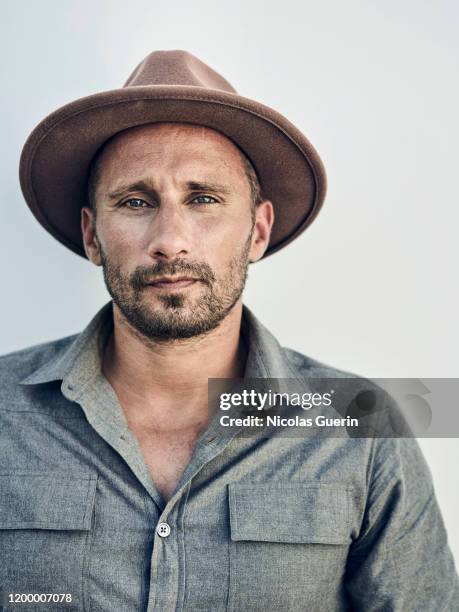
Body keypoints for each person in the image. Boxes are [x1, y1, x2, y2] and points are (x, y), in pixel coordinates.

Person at [1, 50, 457, 612]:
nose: (170, 239)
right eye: (136, 201)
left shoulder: (361, 425)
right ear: (92, 236)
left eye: (204, 199)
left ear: (258, 231)